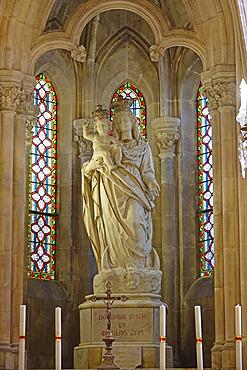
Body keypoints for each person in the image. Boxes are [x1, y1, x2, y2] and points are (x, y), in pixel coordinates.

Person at [82, 97, 160, 272]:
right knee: (111, 229)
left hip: (135, 190)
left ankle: (139, 270)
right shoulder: (109, 145)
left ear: (133, 122)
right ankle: (116, 270)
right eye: (119, 120)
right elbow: (91, 168)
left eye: (126, 119)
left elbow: (147, 171)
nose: (123, 123)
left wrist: (151, 181)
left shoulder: (143, 146)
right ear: (114, 125)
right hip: (110, 189)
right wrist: (91, 167)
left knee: (135, 222)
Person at [83, 105, 121, 170]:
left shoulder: (110, 138)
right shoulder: (95, 137)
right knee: (104, 152)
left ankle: (118, 163)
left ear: (108, 127)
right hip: (97, 155)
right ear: (96, 128)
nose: (101, 128)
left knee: (117, 148)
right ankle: (110, 166)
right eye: (99, 126)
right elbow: (86, 135)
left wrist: (116, 146)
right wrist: (85, 127)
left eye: (103, 126)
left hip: (108, 154)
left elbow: (117, 143)